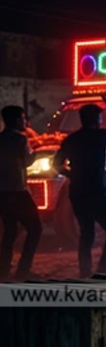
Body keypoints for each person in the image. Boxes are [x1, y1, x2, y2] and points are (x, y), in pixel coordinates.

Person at [53, 95, 106, 277]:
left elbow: (56, 164)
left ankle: (85, 272)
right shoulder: (99, 136)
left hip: (78, 192)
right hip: (97, 193)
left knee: (87, 234)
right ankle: (103, 270)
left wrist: (73, 174)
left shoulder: (71, 140)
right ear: (97, 119)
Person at [0, 106, 42, 281]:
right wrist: (37, 151)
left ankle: (3, 269)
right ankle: (23, 270)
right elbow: (27, 161)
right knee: (35, 229)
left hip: (2, 192)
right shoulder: (20, 139)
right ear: (17, 120)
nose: (25, 121)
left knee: (10, 230)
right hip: (18, 191)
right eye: (23, 118)